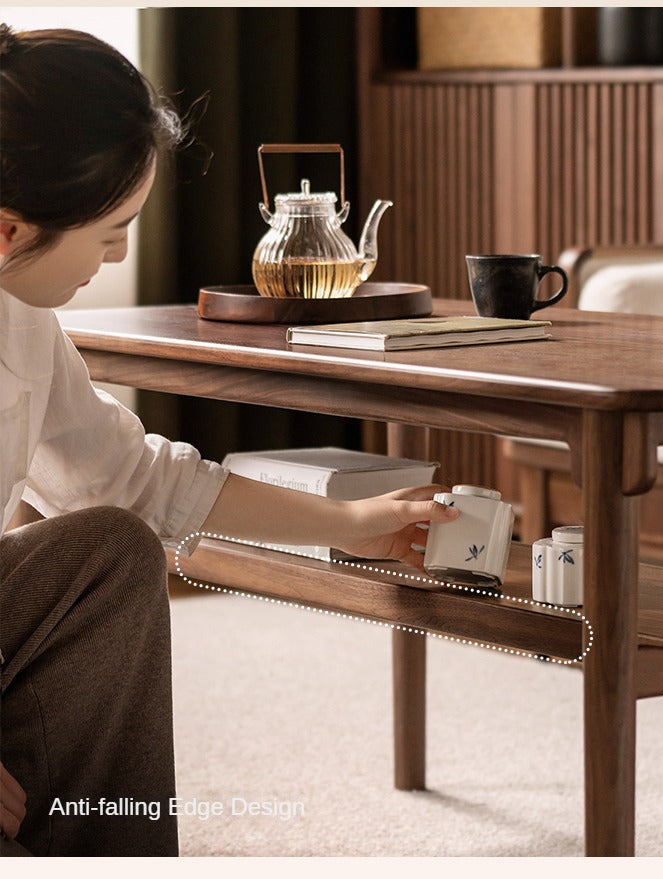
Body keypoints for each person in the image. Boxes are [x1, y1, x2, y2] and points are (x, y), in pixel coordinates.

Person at [0, 25, 458, 857]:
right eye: (111, 234)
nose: (121, 255)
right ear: (9, 230)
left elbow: (142, 482)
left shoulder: (21, 322)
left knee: (112, 548)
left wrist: (360, 522)